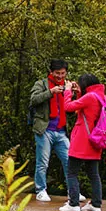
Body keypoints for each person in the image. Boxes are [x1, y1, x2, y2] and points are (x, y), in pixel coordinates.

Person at [59, 74, 106, 211]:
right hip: (95, 140)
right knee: (93, 174)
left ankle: (73, 204)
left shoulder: (90, 97)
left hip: (82, 140)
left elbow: (68, 107)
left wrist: (67, 91)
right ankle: (96, 205)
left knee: (72, 172)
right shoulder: (100, 96)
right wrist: (78, 92)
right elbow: (84, 107)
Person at [29, 59, 74, 203]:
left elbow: (71, 109)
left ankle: (73, 191)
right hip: (44, 130)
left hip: (61, 131)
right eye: (57, 73)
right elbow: (33, 100)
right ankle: (41, 190)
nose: (60, 76)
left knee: (69, 161)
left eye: (63, 73)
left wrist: (75, 93)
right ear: (51, 72)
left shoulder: (67, 86)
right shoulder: (41, 84)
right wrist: (50, 92)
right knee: (43, 162)